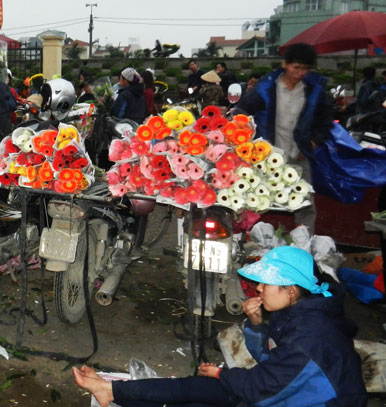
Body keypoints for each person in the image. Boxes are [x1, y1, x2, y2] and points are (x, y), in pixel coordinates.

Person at [73, 246, 367, 407]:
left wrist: (222, 373)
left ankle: (112, 392)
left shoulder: (309, 334)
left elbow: (258, 387)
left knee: (199, 395)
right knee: (193, 388)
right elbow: (272, 361)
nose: (259, 288)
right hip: (283, 393)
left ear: (291, 290)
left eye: (267, 283)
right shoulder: (301, 311)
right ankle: (111, 391)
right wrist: (256, 325)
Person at [235, 43, 333, 230]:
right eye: (296, 67)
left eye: (305, 68)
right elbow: (242, 112)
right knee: (255, 200)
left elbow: (325, 121)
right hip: (266, 158)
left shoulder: (314, 91)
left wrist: (313, 142)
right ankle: (250, 242)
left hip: (299, 156)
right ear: (285, 64)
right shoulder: (265, 88)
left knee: (304, 204)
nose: (301, 73)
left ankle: (303, 247)